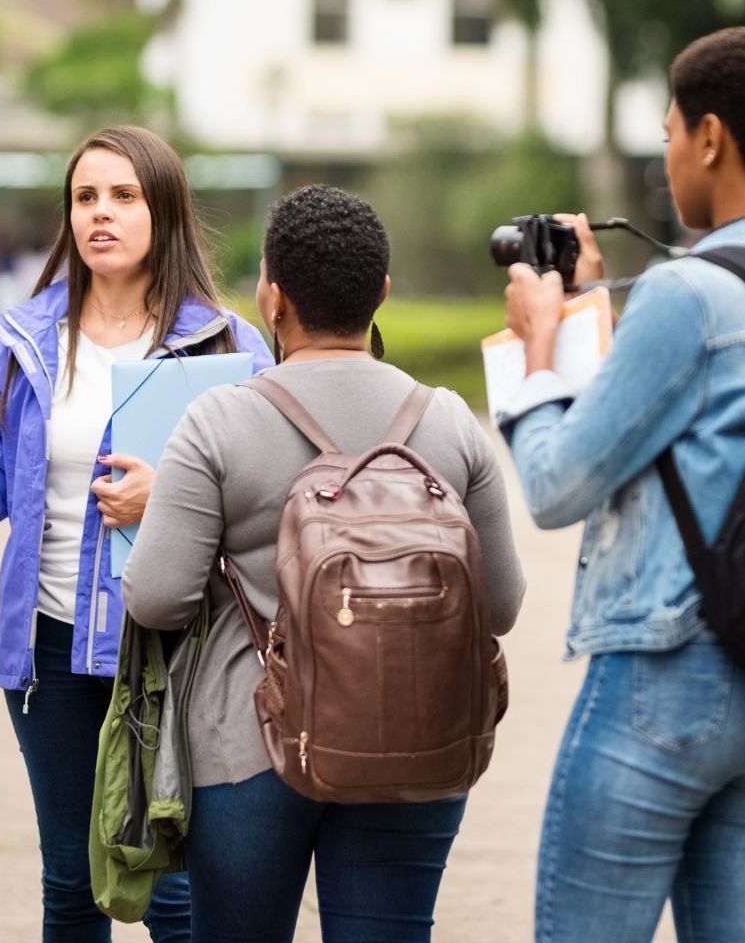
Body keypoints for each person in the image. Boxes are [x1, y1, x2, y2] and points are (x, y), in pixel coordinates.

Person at [0, 125, 271, 943]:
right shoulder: (26, 341)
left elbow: (278, 502)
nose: (101, 214)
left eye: (124, 196)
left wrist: (174, 499)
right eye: (85, 197)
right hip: (50, 651)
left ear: (163, 212)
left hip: (177, 651)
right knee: (70, 884)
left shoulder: (230, 346)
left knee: (175, 890)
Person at [499, 28, 745, 943]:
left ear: (712, 138)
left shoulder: (690, 295)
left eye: (669, 135)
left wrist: (539, 346)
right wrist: (597, 314)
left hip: (670, 677)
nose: (669, 154)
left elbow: (556, 484)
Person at [123, 184, 526, 943]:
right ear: (381, 294)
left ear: (270, 299)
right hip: (417, 740)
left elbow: (155, 599)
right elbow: (499, 607)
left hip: (249, 746)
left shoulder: (218, 421)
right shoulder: (449, 423)